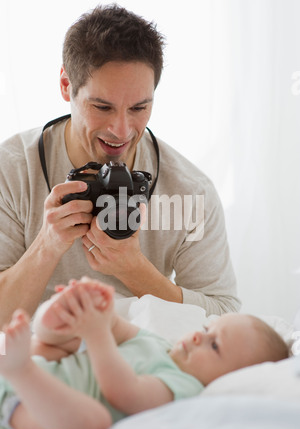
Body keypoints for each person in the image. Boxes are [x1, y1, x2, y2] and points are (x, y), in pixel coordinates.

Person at [0, 4, 240, 327]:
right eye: (102, 106)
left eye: (139, 107)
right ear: (66, 85)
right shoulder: (12, 171)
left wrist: (134, 269)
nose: (122, 131)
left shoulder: (190, 191)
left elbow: (226, 317)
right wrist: (47, 246)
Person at [0, 278, 289, 429]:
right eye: (206, 328)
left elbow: (124, 392)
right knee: (57, 338)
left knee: (94, 423)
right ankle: (48, 321)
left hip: (30, 402)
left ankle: (19, 371)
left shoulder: (184, 386)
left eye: (214, 346)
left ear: (229, 378)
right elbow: (115, 325)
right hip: (46, 365)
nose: (199, 336)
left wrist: (97, 333)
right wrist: (88, 305)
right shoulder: (158, 344)